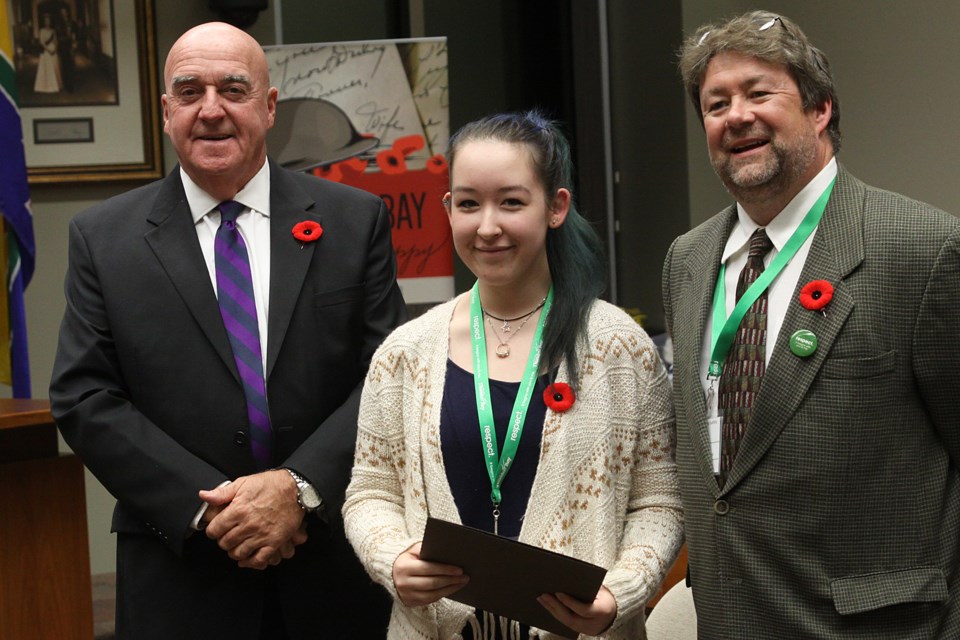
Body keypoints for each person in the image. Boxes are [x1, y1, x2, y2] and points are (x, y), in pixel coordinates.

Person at [49, 22, 406, 639]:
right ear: (166, 112)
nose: (210, 110)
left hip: (329, 568)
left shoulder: (354, 221)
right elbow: (83, 395)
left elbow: (390, 375)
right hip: (181, 571)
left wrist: (298, 489)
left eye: (233, 89)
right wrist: (211, 510)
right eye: (189, 91)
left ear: (268, 107)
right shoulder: (103, 239)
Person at [663, 10, 960, 638]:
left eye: (759, 93)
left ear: (821, 109)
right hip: (729, 618)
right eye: (716, 104)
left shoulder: (920, 248)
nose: (735, 115)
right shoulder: (687, 260)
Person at [342, 111, 684, 639]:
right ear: (447, 208)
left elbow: (659, 499)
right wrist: (391, 559)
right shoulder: (404, 355)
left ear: (556, 207)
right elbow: (370, 492)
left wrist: (621, 592)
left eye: (511, 202)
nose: (487, 226)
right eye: (469, 203)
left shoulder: (621, 350)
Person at [33, 12, 62, 94]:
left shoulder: (53, 31)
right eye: (46, 21)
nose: (47, 22)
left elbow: (56, 41)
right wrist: (49, 50)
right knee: (48, 69)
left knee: (55, 67)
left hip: (53, 51)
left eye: (48, 21)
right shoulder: (42, 30)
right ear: (44, 22)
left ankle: (56, 85)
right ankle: (48, 86)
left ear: (50, 21)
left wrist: (55, 49)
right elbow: (41, 42)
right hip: (46, 52)